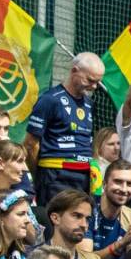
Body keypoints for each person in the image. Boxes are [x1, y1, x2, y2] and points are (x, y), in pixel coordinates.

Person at [25, 53, 103, 200]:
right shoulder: (49, 100)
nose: (94, 87)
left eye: (97, 82)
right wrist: (39, 174)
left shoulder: (89, 104)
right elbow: (30, 144)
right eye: (90, 80)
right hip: (56, 175)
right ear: (74, 71)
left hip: (84, 176)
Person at [88, 161, 131, 259]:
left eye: (130, 184)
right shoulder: (86, 210)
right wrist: (121, 244)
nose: (124, 189)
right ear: (104, 184)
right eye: (118, 182)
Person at [89, 126, 120, 196]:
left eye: (118, 143)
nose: (117, 148)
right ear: (99, 147)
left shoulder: (115, 166)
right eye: (111, 144)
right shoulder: (95, 168)